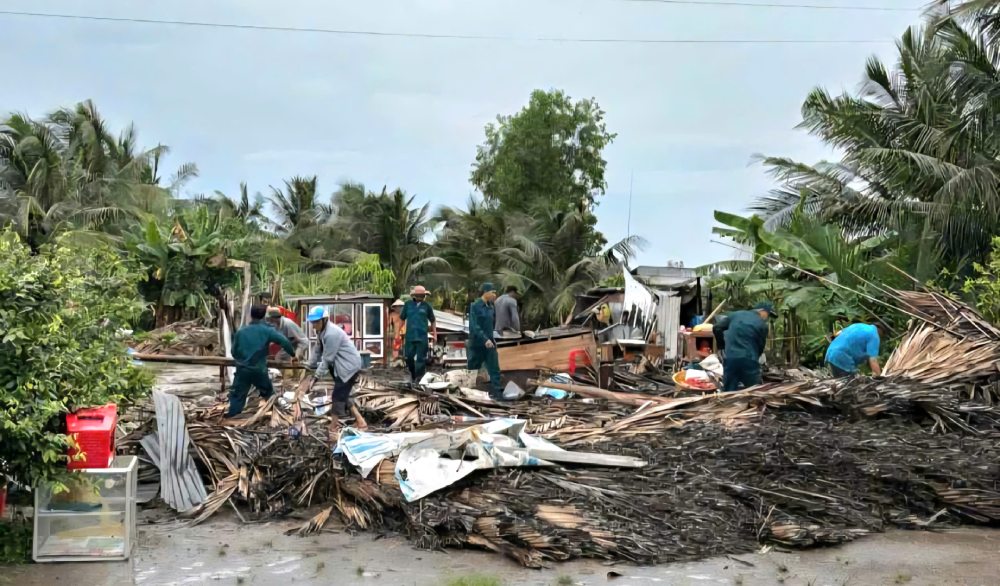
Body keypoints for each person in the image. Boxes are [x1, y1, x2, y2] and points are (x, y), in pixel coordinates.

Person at [228, 304, 297, 417]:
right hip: (259, 370)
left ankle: (232, 421)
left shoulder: (241, 332)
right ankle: (279, 416)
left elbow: (233, 352)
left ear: (251, 315)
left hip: (242, 370)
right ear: (264, 315)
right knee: (269, 394)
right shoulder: (267, 330)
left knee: (237, 396)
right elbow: (284, 341)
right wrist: (293, 354)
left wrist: (242, 359)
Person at [307, 306, 364, 418]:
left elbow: (328, 359)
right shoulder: (321, 331)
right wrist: (310, 365)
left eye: (316, 322)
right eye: (312, 322)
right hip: (340, 365)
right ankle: (360, 420)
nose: (314, 325)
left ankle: (334, 426)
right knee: (344, 394)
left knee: (337, 396)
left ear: (324, 320)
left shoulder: (331, 333)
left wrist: (315, 377)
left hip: (348, 366)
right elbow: (317, 349)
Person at [714, 302, 776, 392]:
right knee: (755, 392)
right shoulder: (762, 325)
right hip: (749, 359)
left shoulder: (736, 315)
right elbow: (760, 346)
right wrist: (756, 357)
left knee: (728, 392)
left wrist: (721, 346)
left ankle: (729, 405)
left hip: (731, 358)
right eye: (768, 314)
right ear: (762, 311)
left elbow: (717, 327)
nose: (767, 317)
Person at [467, 282, 503, 399]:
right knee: (473, 369)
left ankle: (498, 394)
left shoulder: (491, 307)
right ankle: (469, 393)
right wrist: (484, 339)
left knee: (494, 368)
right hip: (477, 343)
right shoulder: (475, 306)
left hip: (489, 342)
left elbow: (491, 326)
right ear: (485, 292)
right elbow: (474, 326)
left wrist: (492, 338)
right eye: (492, 292)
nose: (494, 295)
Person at [400, 285, 437, 383]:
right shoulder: (408, 305)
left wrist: (435, 334)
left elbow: (433, 320)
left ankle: (419, 378)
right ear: (415, 295)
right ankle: (412, 374)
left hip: (422, 336)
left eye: (423, 295)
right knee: (408, 357)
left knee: (421, 359)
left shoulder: (427, 306)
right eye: (419, 295)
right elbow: (402, 319)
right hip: (410, 336)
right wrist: (397, 332)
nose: (421, 297)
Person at [265, 306, 309, 387]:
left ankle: (295, 382)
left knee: (292, 363)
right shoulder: (276, 324)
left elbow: (302, 341)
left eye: (270, 319)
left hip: (300, 344)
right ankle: (289, 380)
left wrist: (296, 354)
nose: (269, 321)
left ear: (275, 318)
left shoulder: (288, 324)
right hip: (289, 345)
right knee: (279, 358)